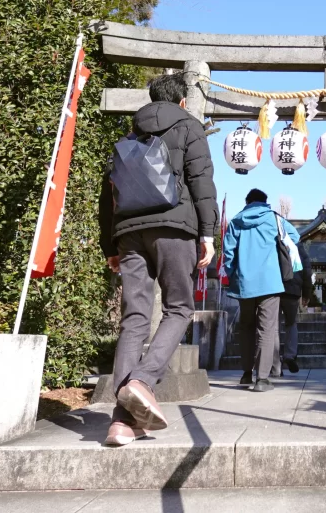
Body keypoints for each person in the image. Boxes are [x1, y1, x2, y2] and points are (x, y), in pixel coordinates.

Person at [98, 72, 218, 447]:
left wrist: (110, 247)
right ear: (183, 101)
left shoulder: (129, 135)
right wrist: (207, 235)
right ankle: (142, 381)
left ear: (149, 99)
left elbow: (109, 194)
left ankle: (121, 422)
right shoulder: (189, 127)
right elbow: (202, 182)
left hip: (129, 232)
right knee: (179, 309)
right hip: (174, 228)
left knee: (134, 318)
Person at [223, 188, 301, 392]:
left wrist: (233, 276)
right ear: (265, 202)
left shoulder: (236, 221)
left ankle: (246, 373)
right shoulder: (274, 219)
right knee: (266, 329)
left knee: (246, 326)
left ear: (247, 201)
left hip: (244, 284)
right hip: (270, 282)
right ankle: (262, 379)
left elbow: (228, 254)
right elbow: (295, 237)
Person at [272, 240, 313, 376]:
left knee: (273, 326)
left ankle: (275, 364)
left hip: (274, 288)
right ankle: (290, 354)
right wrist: (306, 293)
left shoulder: (273, 240)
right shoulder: (298, 245)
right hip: (293, 290)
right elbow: (307, 270)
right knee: (291, 323)